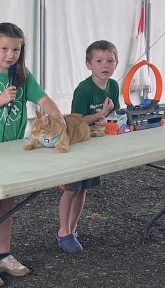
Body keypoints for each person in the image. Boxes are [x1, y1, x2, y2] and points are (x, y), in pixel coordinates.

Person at [0, 22, 65, 288]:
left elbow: (42, 99)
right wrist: (1, 100)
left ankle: (2, 256)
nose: (10, 55)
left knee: (7, 205)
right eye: (5, 48)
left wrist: (58, 117)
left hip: (11, 153)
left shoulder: (22, 76)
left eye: (16, 50)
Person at [57, 40, 120, 253]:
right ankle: (63, 231)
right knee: (72, 188)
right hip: (77, 144)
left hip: (95, 145)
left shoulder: (113, 86)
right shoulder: (83, 90)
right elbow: (75, 120)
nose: (105, 65)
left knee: (83, 188)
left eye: (110, 61)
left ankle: (72, 228)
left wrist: (108, 119)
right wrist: (100, 114)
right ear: (88, 64)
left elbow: (116, 114)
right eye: (99, 61)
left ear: (116, 63)